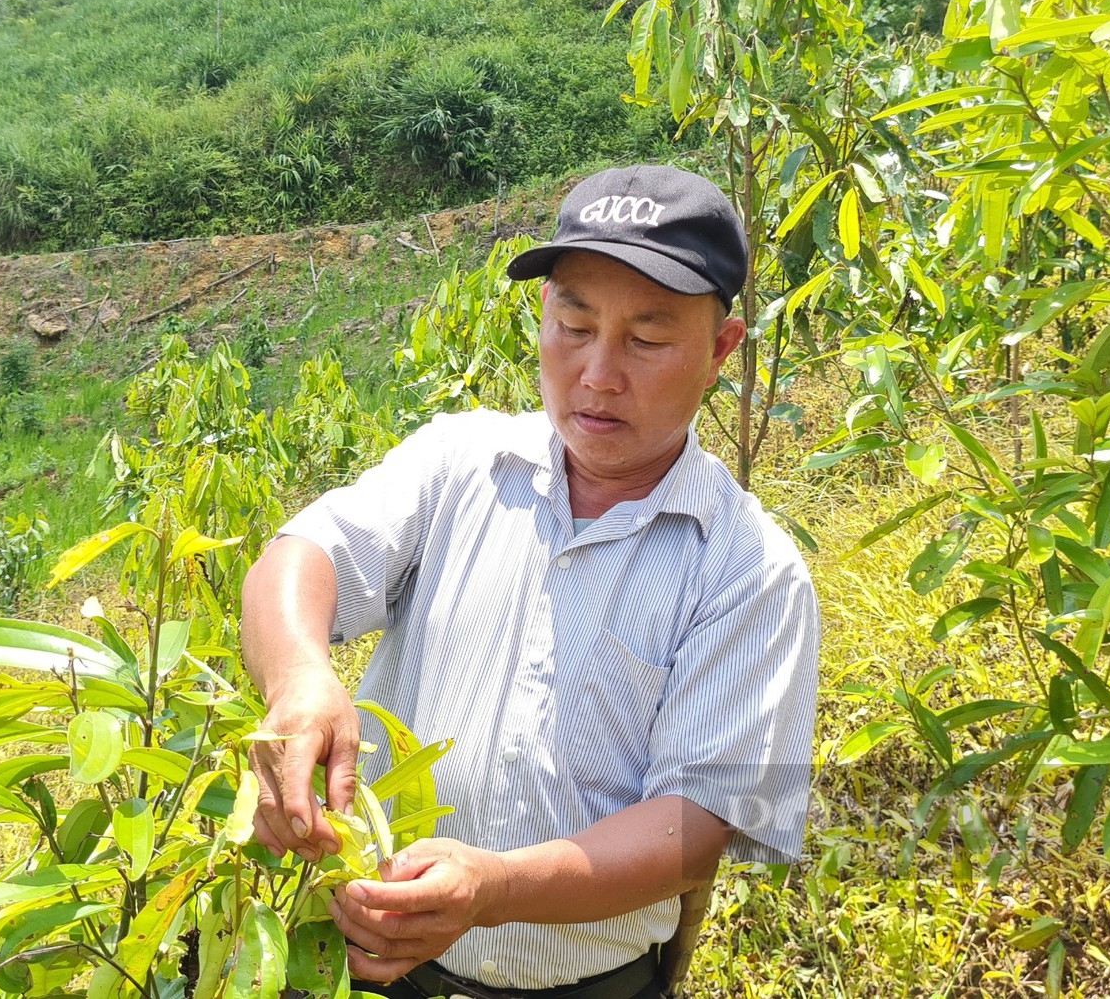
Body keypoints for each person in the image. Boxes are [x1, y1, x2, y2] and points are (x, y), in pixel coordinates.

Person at [241, 164, 820, 999]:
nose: (598, 374)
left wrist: (496, 887)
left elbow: (695, 825)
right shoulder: (461, 463)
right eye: (573, 324)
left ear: (720, 350)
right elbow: (301, 555)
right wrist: (298, 676)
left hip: (578, 984)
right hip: (349, 955)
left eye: (647, 340)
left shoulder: (748, 570)